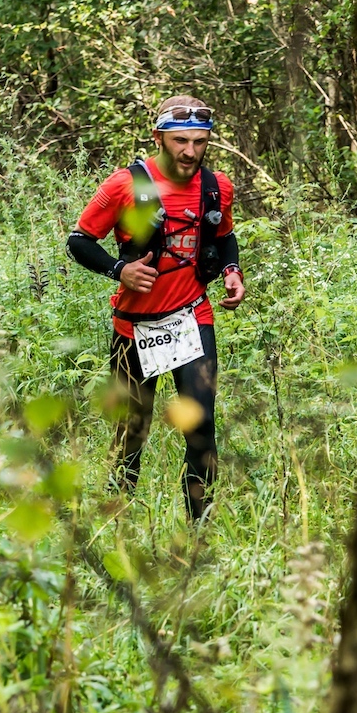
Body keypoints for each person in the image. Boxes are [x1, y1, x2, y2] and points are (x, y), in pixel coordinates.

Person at [66, 96, 246, 521]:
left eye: (200, 142)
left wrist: (232, 270)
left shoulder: (216, 187)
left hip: (192, 319)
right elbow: (78, 241)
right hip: (135, 328)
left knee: (201, 427)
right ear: (158, 138)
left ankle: (199, 528)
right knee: (132, 431)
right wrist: (120, 270)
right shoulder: (126, 185)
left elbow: (224, 236)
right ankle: (119, 523)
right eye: (181, 141)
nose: (190, 151)